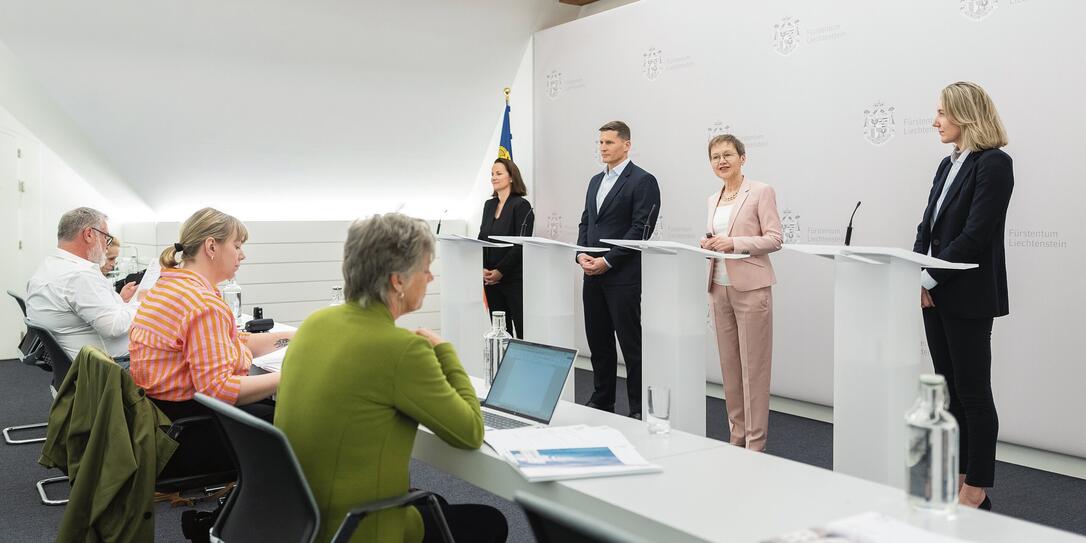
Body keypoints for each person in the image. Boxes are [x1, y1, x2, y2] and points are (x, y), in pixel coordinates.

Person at [275, 213, 507, 543]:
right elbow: (470, 431)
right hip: (363, 528)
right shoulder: (402, 350)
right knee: (490, 521)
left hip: (303, 520)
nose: (430, 277)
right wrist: (446, 352)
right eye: (425, 268)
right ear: (398, 280)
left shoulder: (314, 324)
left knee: (436, 503)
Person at [914, 81, 1012, 511]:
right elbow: (928, 227)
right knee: (949, 392)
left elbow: (975, 234)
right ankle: (957, 477)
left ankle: (977, 488)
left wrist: (931, 278)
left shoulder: (995, 164)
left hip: (967, 295)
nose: (935, 121)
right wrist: (917, 274)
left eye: (942, 113)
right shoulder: (946, 163)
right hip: (935, 293)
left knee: (973, 391)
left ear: (966, 115)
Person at [129, 207, 292, 423]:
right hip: (197, 427)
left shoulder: (167, 287)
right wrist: (291, 376)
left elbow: (231, 341)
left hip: (163, 420)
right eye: (237, 246)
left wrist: (296, 338)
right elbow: (219, 390)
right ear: (211, 246)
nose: (242, 255)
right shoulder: (203, 304)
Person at [699, 135, 782, 452]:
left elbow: (774, 238)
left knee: (754, 370)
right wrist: (710, 244)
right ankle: (736, 437)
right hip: (718, 287)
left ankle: (755, 443)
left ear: (742, 158)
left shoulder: (760, 192)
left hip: (751, 289)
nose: (721, 161)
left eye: (728, 155)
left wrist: (735, 243)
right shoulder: (713, 198)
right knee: (730, 368)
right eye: (715, 156)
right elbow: (719, 237)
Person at [577, 121, 661, 419]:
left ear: (626, 144)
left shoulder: (642, 180)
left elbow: (641, 228)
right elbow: (586, 222)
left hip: (622, 275)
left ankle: (639, 409)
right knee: (598, 341)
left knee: (631, 345)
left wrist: (608, 260)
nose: (602, 148)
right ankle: (603, 400)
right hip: (591, 273)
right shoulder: (594, 181)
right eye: (600, 142)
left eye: (609, 142)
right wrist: (582, 254)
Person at [26, 207, 138, 363]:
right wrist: (144, 302)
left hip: (75, 364)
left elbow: (90, 309)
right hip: (108, 368)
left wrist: (120, 301)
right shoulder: (79, 275)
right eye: (106, 237)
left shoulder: (50, 266)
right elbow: (113, 327)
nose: (106, 245)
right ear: (89, 234)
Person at [478, 157, 533, 338]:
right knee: (500, 333)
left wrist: (500, 271)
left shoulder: (522, 205)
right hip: (491, 280)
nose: (493, 177)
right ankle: (502, 365)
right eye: (492, 174)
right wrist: (484, 268)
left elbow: (521, 244)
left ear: (511, 177)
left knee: (523, 331)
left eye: (498, 173)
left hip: (513, 279)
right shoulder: (489, 205)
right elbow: (481, 239)